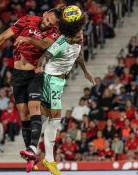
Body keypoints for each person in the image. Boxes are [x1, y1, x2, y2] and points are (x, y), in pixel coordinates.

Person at [0, 8, 62, 171]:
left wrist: (28, 39)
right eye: (48, 19)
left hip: (35, 73)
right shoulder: (26, 20)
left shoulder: (54, 33)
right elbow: (3, 36)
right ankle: (30, 156)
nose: (48, 23)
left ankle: (31, 148)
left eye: (52, 23)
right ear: (45, 14)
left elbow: (44, 44)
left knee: (34, 108)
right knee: (22, 113)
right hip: (17, 74)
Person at [34, 11, 94, 175]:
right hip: (51, 79)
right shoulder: (60, 42)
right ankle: (49, 159)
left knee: (46, 117)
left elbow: (79, 55)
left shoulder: (78, 39)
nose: (82, 33)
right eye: (79, 30)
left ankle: (33, 150)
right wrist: (40, 66)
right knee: (55, 118)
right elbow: (45, 56)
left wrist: (85, 72)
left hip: (59, 82)